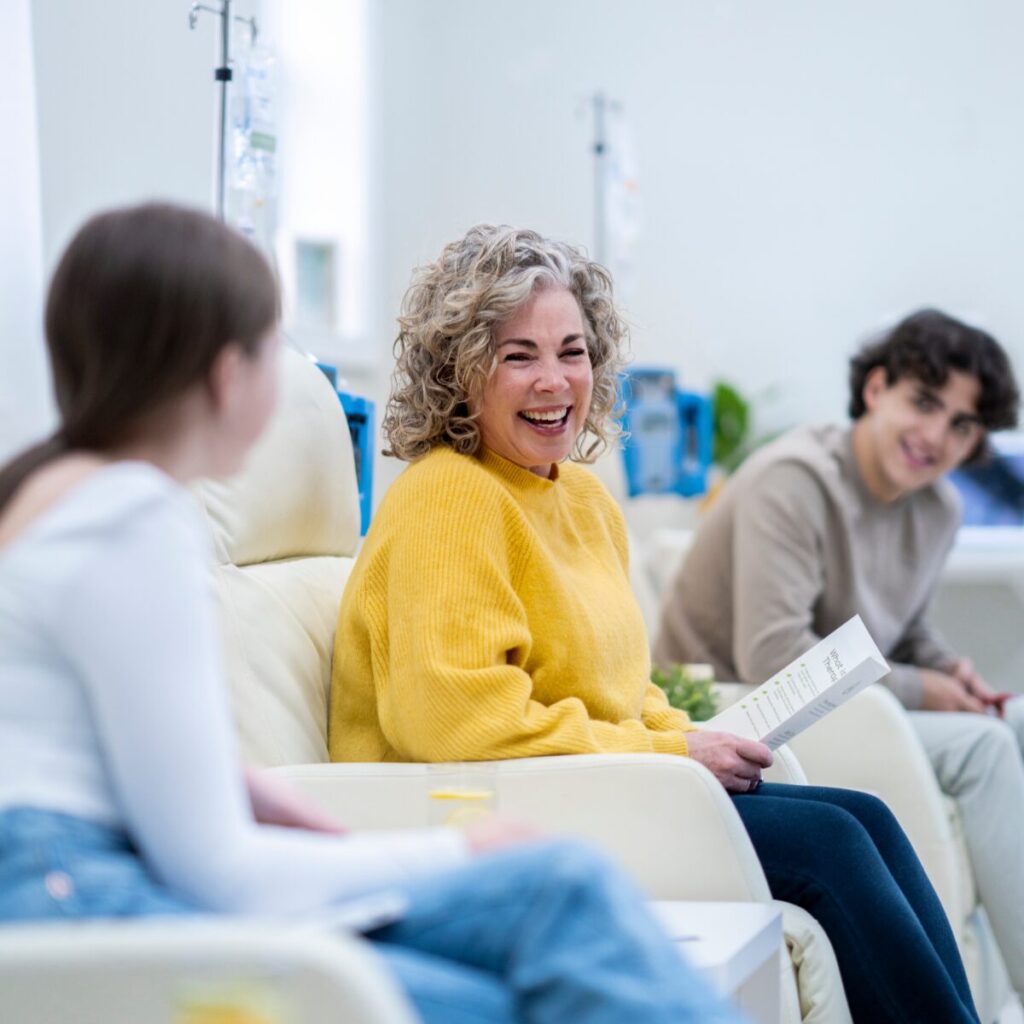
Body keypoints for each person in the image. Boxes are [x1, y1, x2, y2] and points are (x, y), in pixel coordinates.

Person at [0, 202, 748, 1024]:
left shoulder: (53, 497)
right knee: (551, 897)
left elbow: (95, 757)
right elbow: (217, 870)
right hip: (85, 909)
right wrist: (452, 851)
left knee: (525, 947)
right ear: (226, 375)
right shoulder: (136, 523)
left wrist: (243, 788)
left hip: (80, 885)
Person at [329, 225, 981, 1023]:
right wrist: (672, 752)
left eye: (572, 351)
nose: (553, 382)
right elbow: (454, 719)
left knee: (865, 816)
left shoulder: (583, 500)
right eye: (517, 355)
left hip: (605, 785)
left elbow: (622, 692)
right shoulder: (449, 494)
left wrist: (705, 740)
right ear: (460, 373)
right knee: (834, 847)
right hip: (495, 808)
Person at [654, 307, 1024, 997]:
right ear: (877, 388)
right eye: (924, 403)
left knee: (1015, 720)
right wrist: (925, 691)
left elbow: (904, 632)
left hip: (849, 708)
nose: (936, 436)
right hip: (744, 710)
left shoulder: (935, 508)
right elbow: (771, 653)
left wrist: (948, 670)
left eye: (962, 425)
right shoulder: (794, 481)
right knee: (983, 748)